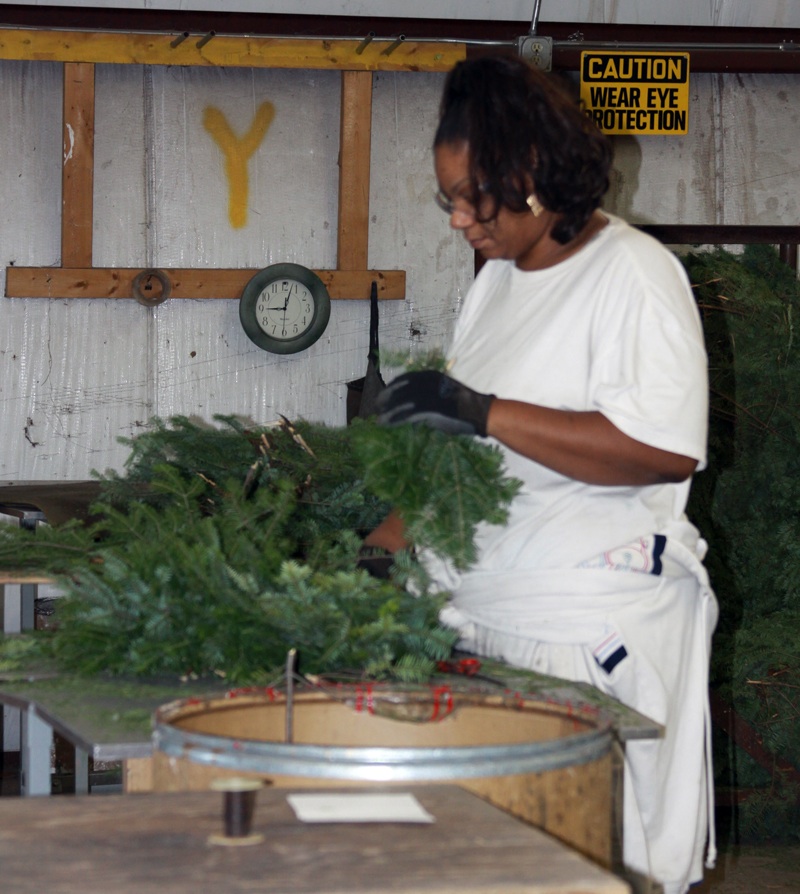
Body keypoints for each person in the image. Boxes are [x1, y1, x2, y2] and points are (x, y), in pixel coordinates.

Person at [364, 55, 718, 894]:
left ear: (528, 173)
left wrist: (485, 409)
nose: (457, 219)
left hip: (588, 634)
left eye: (470, 196)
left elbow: (662, 448)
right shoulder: (494, 288)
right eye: (445, 196)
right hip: (489, 620)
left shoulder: (633, 274)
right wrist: (381, 545)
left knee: (591, 864)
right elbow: (470, 462)